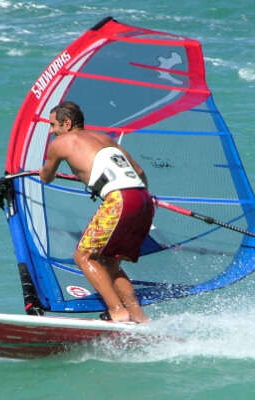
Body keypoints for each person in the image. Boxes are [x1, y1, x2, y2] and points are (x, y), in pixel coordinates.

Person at [39, 101, 154, 323]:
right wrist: (141, 197)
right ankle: (139, 318)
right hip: (142, 199)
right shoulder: (105, 138)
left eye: (53, 125)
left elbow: (46, 177)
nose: (51, 131)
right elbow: (139, 171)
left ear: (67, 123)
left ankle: (117, 312)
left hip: (118, 199)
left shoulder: (63, 142)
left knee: (82, 256)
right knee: (110, 261)